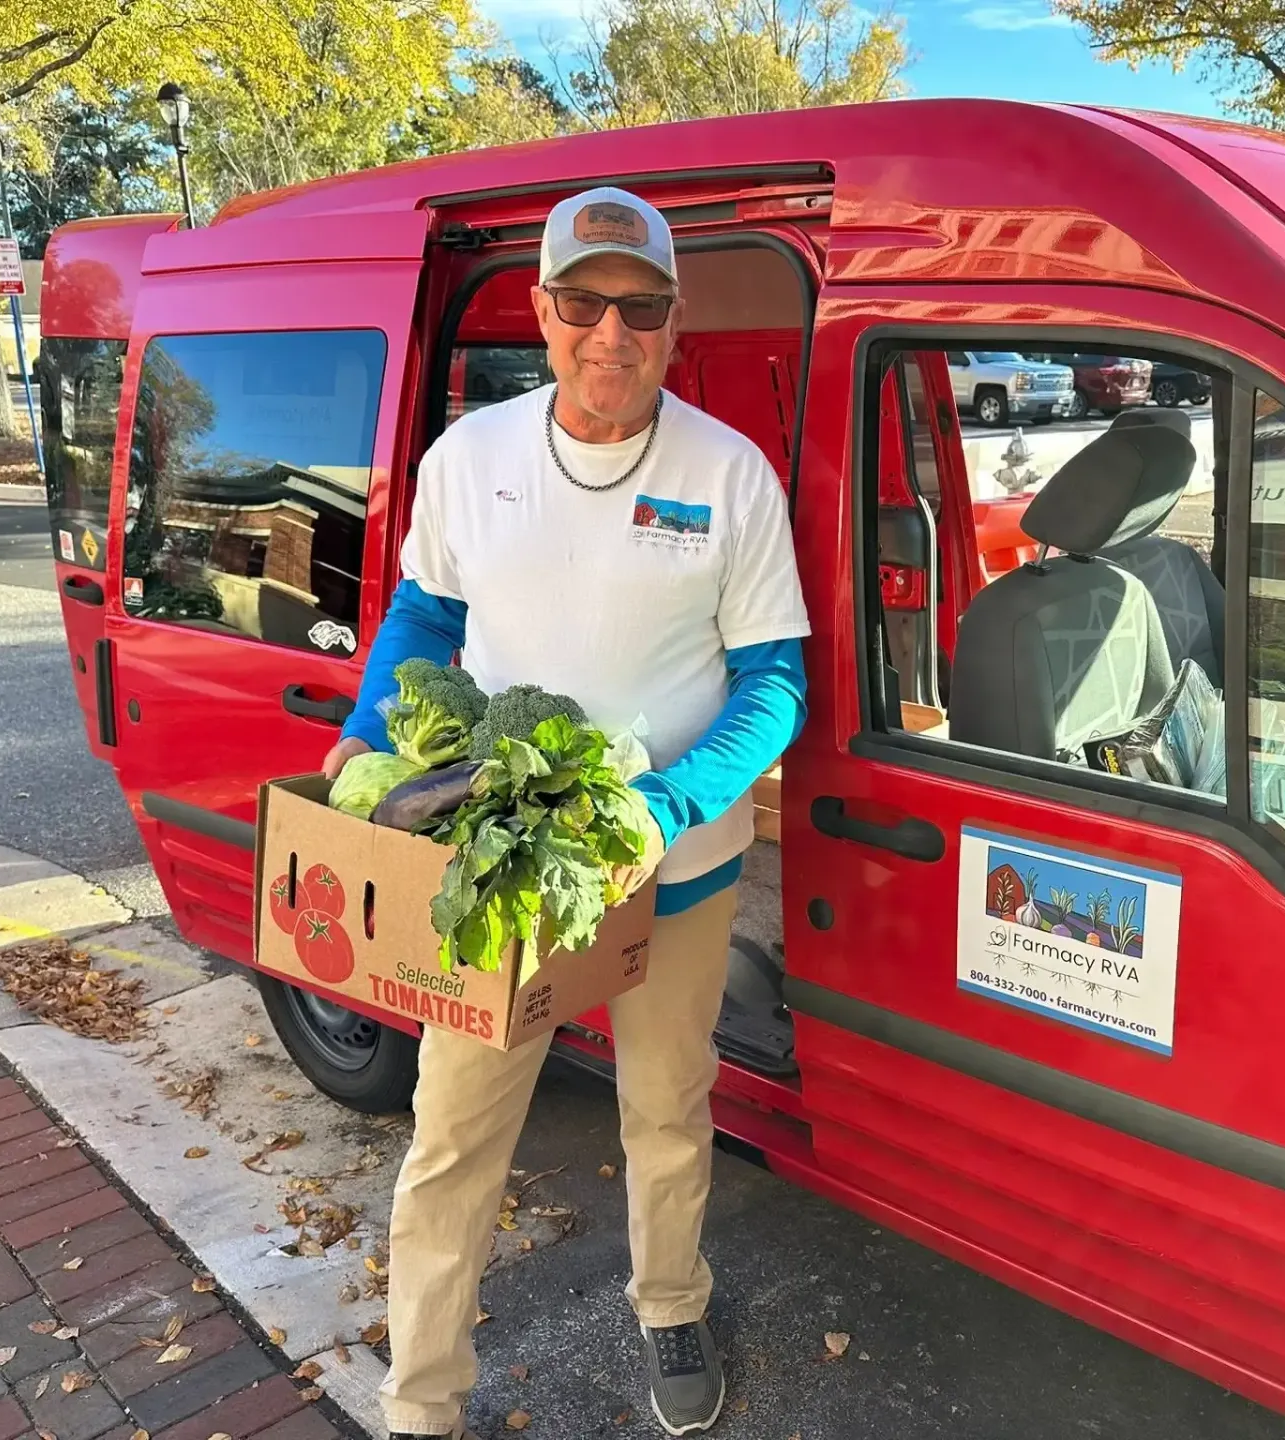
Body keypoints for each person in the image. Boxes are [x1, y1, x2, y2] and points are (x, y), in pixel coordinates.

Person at [323, 185, 810, 1438]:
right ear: (541, 311)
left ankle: (669, 1301)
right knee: (452, 1135)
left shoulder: (730, 473)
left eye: (639, 307)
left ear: (673, 320)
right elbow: (427, 619)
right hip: (502, 871)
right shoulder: (471, 460)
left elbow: (773, 680)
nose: (611, 332)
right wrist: (366, 740)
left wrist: (670, 802)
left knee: (667, 1107)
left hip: (678, 866)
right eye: (584, 302)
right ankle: (423, 1399)